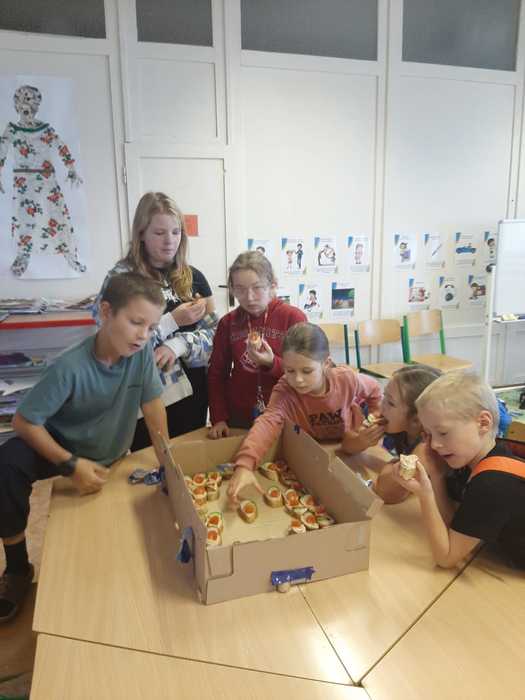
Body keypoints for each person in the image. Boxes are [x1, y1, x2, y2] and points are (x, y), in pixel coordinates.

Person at [0, 273, 169, 622]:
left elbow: (153, 405)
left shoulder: (141, 355)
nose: (143, 335)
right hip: (64, 447)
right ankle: (17, 569)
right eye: (136, 322)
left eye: (151, 327)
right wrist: (69, 464)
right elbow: (23, 422)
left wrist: (167, 460)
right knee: (7, 465)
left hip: (110, 450)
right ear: (106, 312)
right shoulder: (70, 366)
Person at [95, 192, 217, 448]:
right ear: (141, 233)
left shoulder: (192, 276)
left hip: (193, 395)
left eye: (176, 232)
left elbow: (217, 335)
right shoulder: (122, 278)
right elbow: (109, 342)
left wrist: (178, 345)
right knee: (149, 462)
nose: (170, 241)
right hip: (143, 397)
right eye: (159, 233)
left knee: (188, 461)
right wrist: (171, 321)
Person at [227, 322, 384, 503]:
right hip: (312, 453)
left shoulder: (346, 379)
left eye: (307, 371)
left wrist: (375, 415)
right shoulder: (285, 391)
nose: (298, 379)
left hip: (349, 449)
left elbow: (374, 390)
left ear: (326, 364)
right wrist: (245, 464)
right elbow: (267, 422)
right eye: (290, 371)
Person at [390, 371, 525, 569]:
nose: (434, 444)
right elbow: (454, 525)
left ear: (483, 423)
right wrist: (437, 476)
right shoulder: (471, 461)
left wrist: (425, 494)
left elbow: (446, 558)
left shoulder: (492, 482)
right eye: (429, 434)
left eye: (443, 432)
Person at [208, 251, 306, 438]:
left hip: (285, 413)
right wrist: (218, 417)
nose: (249, 297)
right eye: (240, 289)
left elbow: (307, 372)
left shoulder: (293, 318)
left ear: (272, 285)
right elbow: (216, 374)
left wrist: (272, 363)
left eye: (257, 287)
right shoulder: (228, 323)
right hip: (239, 418)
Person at [0, 84, 85, 276]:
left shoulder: (45, 129)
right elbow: (2, 149)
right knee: (24, 219)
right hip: (23, 182)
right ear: (16, 105)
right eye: (23, 101)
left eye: (31, 101)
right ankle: (23, 257)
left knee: (57, 215)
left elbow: (61, 146)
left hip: (47, 180)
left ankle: (70, 255)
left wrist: (71, 169)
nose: (27, 106)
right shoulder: (12, 129)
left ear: (37, 105)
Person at [373, 365, 444, 504]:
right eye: (384, 396)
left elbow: (387, 492)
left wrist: (391, 466)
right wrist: (361, 440)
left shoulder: (426, 448)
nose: (381, 406)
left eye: (390, 403)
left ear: (416, 420)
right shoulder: (402, 430)